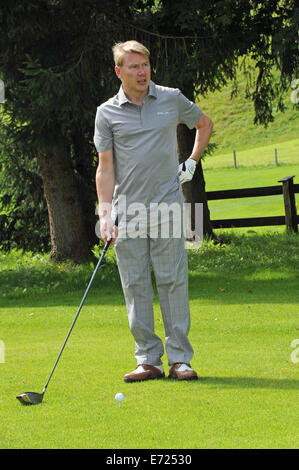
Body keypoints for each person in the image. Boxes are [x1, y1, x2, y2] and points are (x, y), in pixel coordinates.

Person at [94, 40, 213, 382]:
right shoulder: (107, 113)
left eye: (145, 65)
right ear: (119, 72)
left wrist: (191, 162)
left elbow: (204, 124)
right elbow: (105, 168)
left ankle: (180, 359)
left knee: (172, 281)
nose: (142, 71)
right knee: (135, 286)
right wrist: (104, 215)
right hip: (126, 211)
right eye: (133, 67)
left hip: (168, 206)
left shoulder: (171, 98)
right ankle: (148, 359)